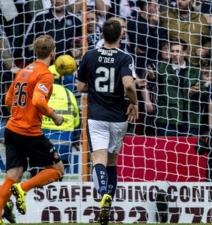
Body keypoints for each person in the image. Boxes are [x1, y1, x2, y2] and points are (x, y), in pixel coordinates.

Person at [76, 19, 138, 225]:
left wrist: (94, 88)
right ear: (121, 35)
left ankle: (102, 192)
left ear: (101, 34)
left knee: (98, 160)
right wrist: (134, 103)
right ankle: (107, 211)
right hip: (119, 118)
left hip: (97, 117)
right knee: (112, 163)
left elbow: (80, 86)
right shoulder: (125, 57)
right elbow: (129, 85)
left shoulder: (90, 55)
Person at [0, 35, 65, 225]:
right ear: (53, 52)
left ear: (35, 52)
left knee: (13, 175)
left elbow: (7, 100)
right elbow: (38, 100)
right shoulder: (45, 74)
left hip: (12, 129)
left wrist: (22, 111)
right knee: (57, 169)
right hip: (29, 132)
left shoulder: (23, 71)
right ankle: (23, 189)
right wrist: (54, 116)